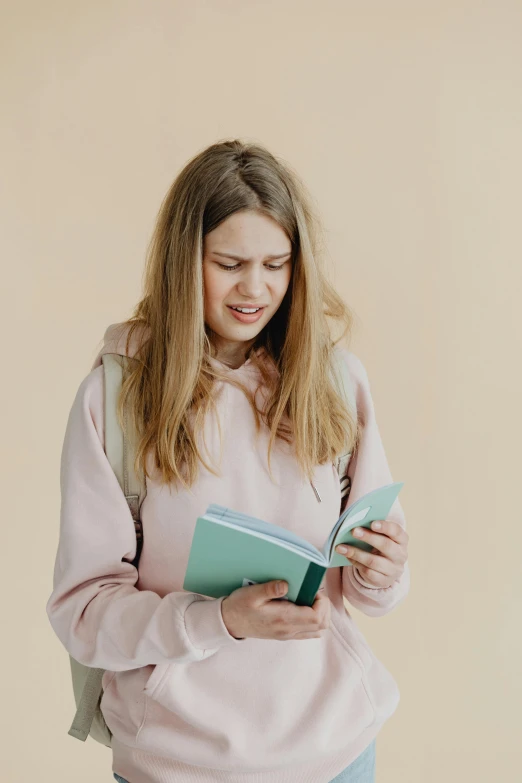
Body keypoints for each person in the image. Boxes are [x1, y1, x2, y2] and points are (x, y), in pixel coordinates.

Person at [46, 139, 410, 783]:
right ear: (184, 261)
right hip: (178, 762)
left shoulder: (335, 381)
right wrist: (220, 620)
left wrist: (382, 572)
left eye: (277, 263)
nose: (255, 288)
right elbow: (83, 615)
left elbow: (373, 592)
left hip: (335, 754)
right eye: (229, 263)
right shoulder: (116, 396)